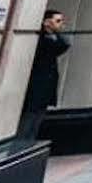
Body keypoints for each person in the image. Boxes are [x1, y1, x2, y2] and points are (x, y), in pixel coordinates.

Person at [17, 10, 71, 141]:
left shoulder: (52, 38)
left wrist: (55, 31)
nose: (61, 24)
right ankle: (22, 143)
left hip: (46, 86)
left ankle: (29, 142)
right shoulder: (41, 39)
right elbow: (63, 44)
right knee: (29, 119)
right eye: (58, 21)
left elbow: (65, 44)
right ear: (46, 22)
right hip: (36, 85)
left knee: (37, 120)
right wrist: (54, 31)